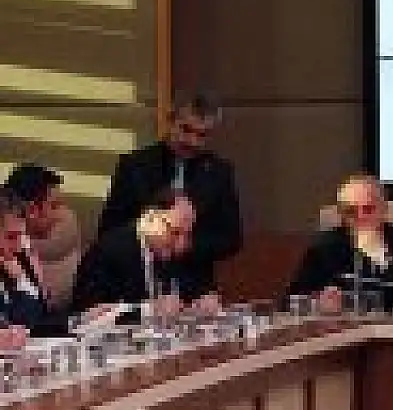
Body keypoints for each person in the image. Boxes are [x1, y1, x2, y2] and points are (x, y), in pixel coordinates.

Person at [97, 93, 242, 293]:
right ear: (170, 121)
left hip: (195, 286)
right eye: (186, 130)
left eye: (202, 135)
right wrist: (150, 239)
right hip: (138, 282)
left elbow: (232, 238)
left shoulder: (218, 173)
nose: (192, 141)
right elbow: (110, 230)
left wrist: (188, 245)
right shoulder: (135, 166)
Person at [286, 175, 393, 312]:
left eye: (368, 209)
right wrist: (317, 303)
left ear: (383, 209)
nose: (360, 217)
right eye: (351, 212)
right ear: (342, 215)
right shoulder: (324, 248)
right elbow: (291, 302)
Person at [71, 191, 220, 319]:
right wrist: (147, 310)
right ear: (149, 219)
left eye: (187, 234)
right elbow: (87, 313)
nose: (181, 244)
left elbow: (194, 289)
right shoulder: (111, 251)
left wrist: (204, 299)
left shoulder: (177, 252)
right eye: (175, 232)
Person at [2, 163, 67, 311]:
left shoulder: (27, 246)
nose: (58, 216)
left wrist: (79, 320)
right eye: (54, 206)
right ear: (33, 209)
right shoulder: (10, 251)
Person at [0, 189, 63, 338]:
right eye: (11, 237)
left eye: (21, 236)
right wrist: (19, 283)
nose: (17, 247)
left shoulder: (20, 260)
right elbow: (16, 323)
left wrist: (81, 320)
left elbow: (42, 318)